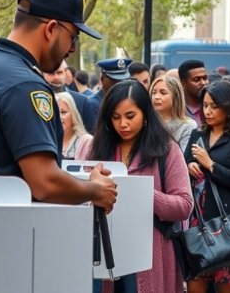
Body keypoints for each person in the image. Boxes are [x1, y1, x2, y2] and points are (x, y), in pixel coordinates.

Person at [0, 0, 116, 211]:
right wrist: (96, 190)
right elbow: (44, 182)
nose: (73, 48)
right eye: (73, 36)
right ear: (50, 28)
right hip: (11, 235)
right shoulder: (26, 85)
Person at [81, 79, 193, 293]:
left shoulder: (167, 149)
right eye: (115, 118)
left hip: (149, 254)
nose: (122, 124)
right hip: (105, 249)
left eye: (130, 116)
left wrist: (141, 193)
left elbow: (184, 205)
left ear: (145, 114)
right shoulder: (99, 149)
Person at [184, 81, 230, 293]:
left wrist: (211, 165)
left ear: (228, 107)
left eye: (214, 106)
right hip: (198, 223)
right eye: (205, 105)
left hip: (226, 225)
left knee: (226, 286)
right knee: (195, 283)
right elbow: (184, 166)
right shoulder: (197, 135)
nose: (207, 111)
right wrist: (188, 166)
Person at [43, 60, 97, 133]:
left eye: (59, 72)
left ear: (66, 74)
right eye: (51, 73)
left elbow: (91, 134)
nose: (56, 77)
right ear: (42, 74)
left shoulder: (81, 101)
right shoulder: (35, 100)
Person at [150, 75, 198, 152]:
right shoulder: (146, 122)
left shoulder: (188, 126)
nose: (156, 97)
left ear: (176, 96)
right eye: (154, 92)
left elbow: (182, 158)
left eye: (163, 93)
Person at [55, 92, 93, 160]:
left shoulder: (87, 142)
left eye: (63, 112)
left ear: (73, 114)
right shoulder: (45, 142)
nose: (59, 117)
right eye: (55, 113)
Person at [178, 59, 209, 126]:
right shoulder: (177, 111)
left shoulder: (215, 106)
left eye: (205, 78)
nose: (203, 83)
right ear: (183, 84)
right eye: (196, 80)